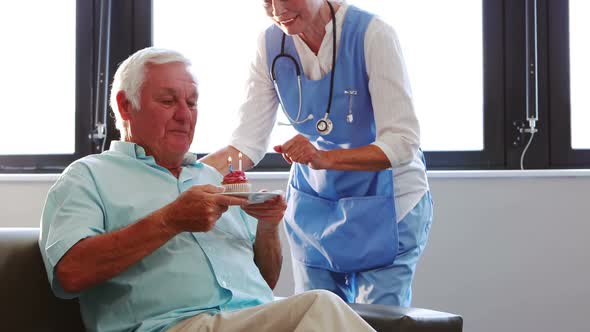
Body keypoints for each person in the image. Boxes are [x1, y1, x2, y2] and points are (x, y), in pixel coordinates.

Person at [38, 47, 375, 332]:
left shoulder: (212, 179)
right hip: (168, 325)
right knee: (320, 305)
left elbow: (263, 283)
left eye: (192, 103)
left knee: (316, 312)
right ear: (126, 106)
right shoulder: (87, 177)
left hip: (243, 319)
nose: (185, 116)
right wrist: (171, 220)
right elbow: (71, 273)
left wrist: (268, 227)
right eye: (168, 101)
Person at [201, 0, 433, 307]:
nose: (277, 9)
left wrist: (324, 158)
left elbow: (402, 141)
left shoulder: (373, 34)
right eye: (266, 1)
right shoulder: (270, 43)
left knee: (380, 322)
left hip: (388, 203)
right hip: (316, 205)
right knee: (316, 316)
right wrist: (186, 173)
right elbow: (246, 143)